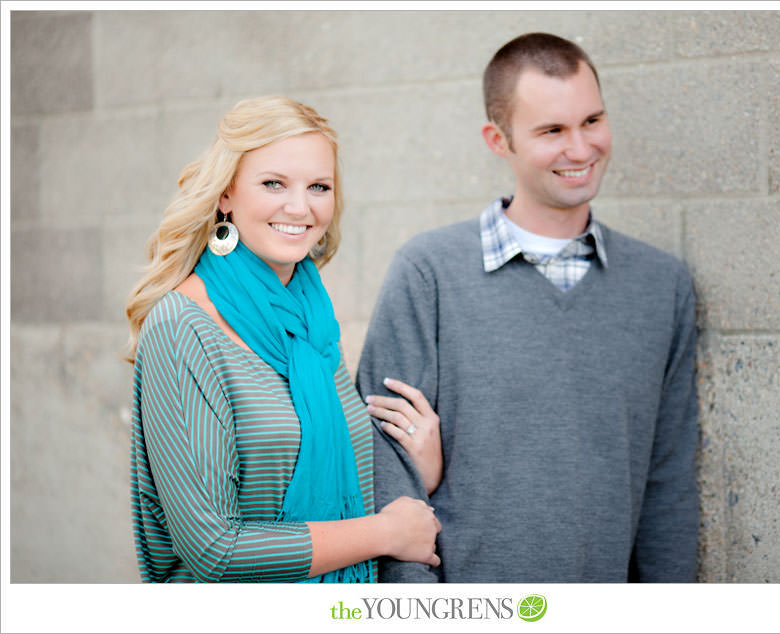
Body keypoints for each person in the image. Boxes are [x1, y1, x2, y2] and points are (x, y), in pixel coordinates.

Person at [356, 33, 699, 583]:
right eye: (552, 131)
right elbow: (383, 463)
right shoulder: (429, 271)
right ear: (499, 139)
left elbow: (668, 480)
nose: (581, 148)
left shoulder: (661, 285)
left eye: (592, 121)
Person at [124, 96, 441, 583]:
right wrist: (384, 534)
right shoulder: (183, 326)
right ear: (226, 194)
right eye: (274, 183)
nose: (301, 207)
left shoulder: (309, 317)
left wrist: (419, 465)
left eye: (319, 186)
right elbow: (215, 550)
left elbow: (339, 482)